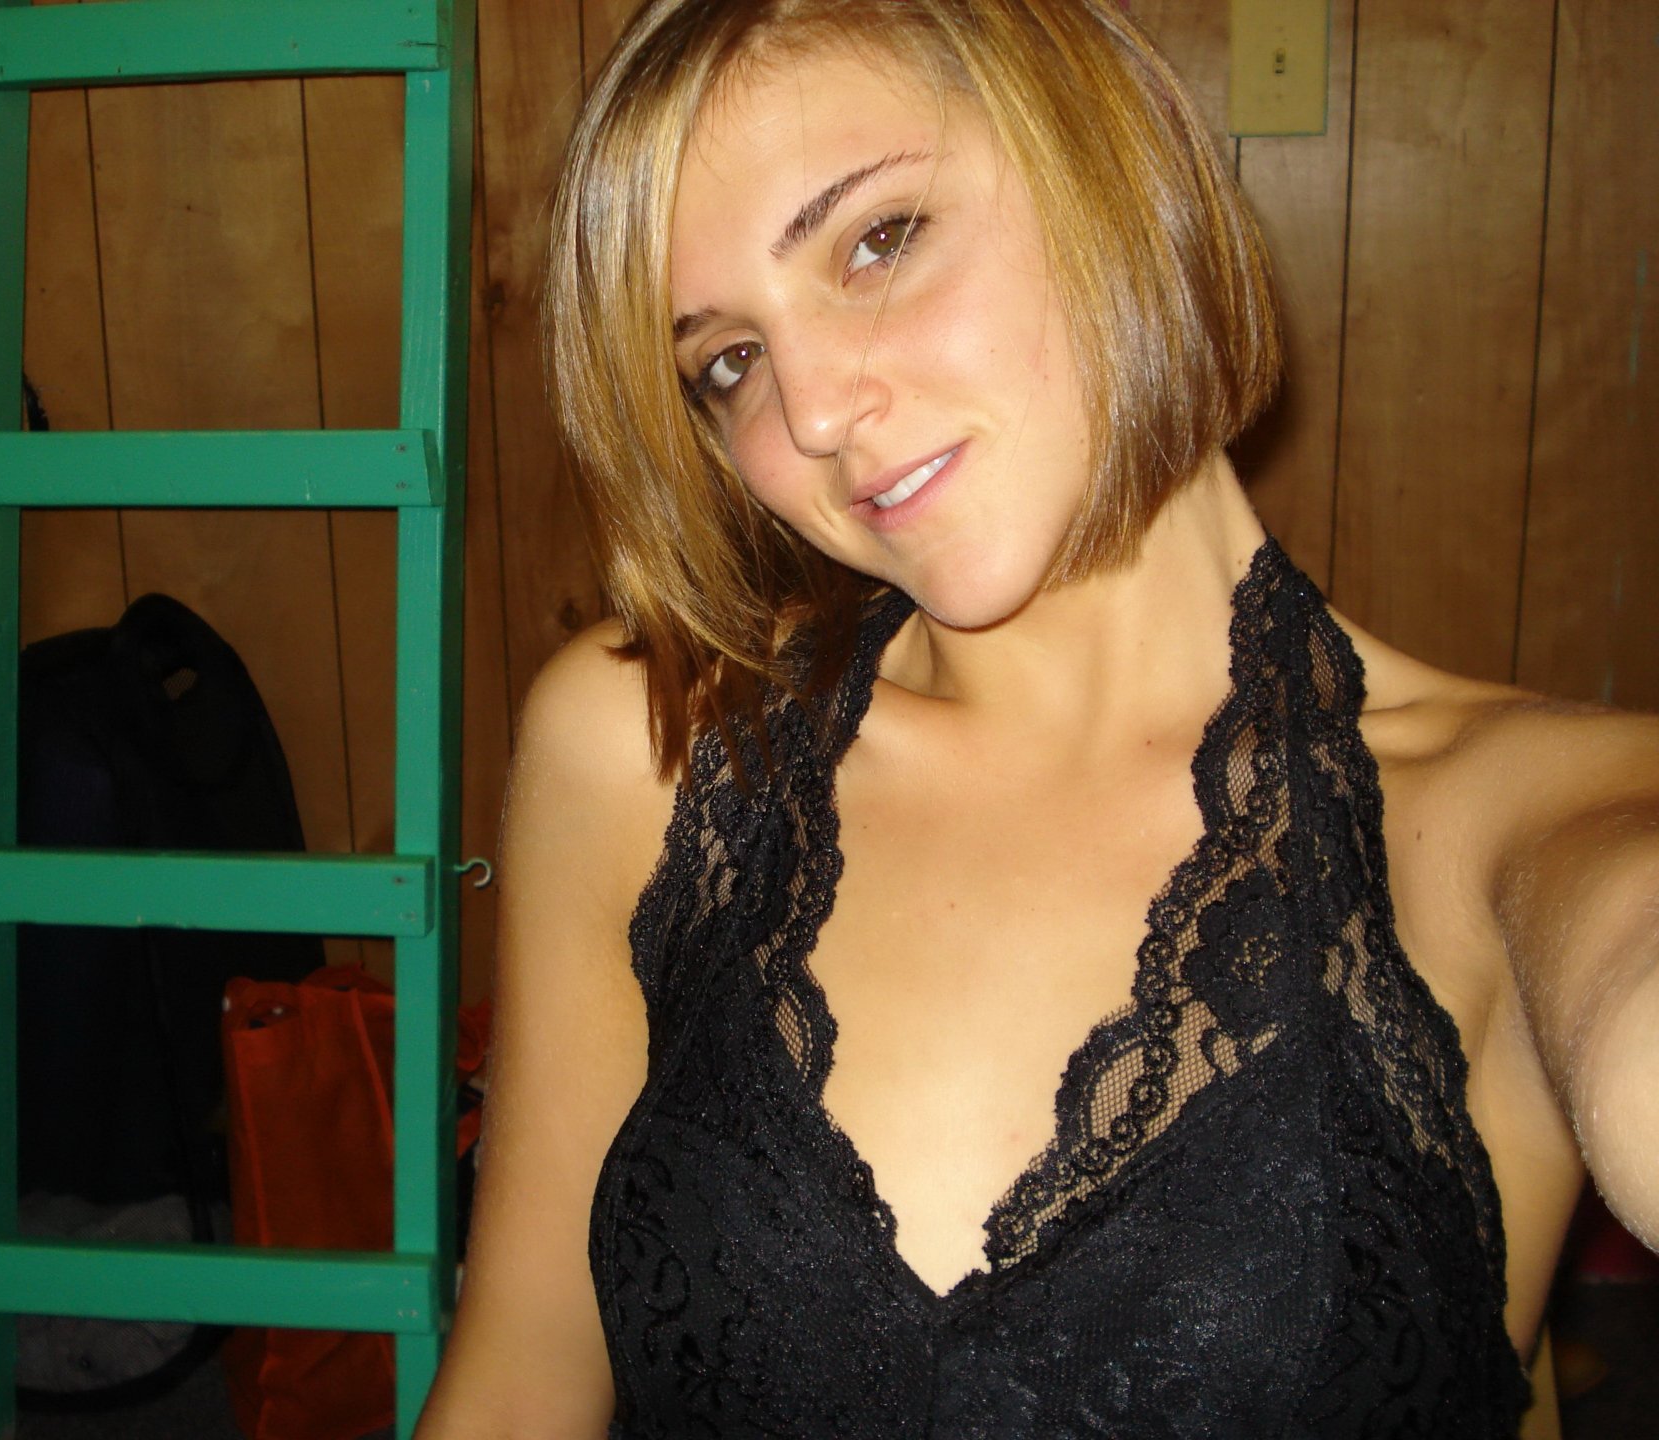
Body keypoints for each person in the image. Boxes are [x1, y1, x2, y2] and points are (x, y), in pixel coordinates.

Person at [417, 1, 1659, 1434]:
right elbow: (524, 1368)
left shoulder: (1514, 814)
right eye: (730, 360)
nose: (812, 414)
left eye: (878, 240)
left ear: (1108, 166)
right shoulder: (653, 746)